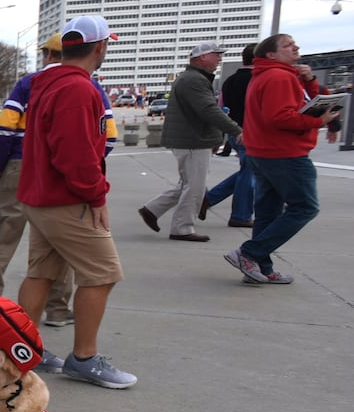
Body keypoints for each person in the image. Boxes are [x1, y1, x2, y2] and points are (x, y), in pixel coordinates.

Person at [16, 15, 136, 390]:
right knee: (103, 273)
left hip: (43, 197)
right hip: (65, 200)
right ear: (100, 47)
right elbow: (77, 155)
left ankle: (20, 351)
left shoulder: (48, 84)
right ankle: (84, 357)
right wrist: (96, 194)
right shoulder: (77, 89)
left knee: (41, 272)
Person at [0, 33, 73, 333]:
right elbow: (105, 137)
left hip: (21, 163)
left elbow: (4, 129)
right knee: (58, 243)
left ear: (48, 55)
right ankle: (57, 308)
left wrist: (3, 165)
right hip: (60, 170)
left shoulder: (28, 84)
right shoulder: (86, 85)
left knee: (1, 240)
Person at [225, 34, 340, 285]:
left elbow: (304, 103)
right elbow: (281, 117)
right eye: (288, 45)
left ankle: (261, 268)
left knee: (267, 212)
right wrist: (319, 122)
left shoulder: (270, 75)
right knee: (305, 207)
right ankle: (249, 253)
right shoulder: (280, 77)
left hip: (264, 152)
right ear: (271, 55)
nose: (296, 47)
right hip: (284, 153)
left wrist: (309, 81)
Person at [138, 43, 240, 243]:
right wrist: (235, 130)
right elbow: (208, 110)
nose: (219, 59)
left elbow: (205, 110)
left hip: (191, 139)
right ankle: (182, 227)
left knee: (190, 184)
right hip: (193, 139)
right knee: (194, 186)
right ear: (203, 57)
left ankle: (152, 209)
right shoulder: (195, 80)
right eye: (216, 55)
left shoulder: (191, 78)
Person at [202, 43, 258, 228]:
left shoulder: (230, 81)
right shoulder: (258, 79)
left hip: (234, 131)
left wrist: (220, 135)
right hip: (251, 132)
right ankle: (240, 215)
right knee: (249, 174)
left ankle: (208, 199)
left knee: (247, 172)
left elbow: (220, 110)